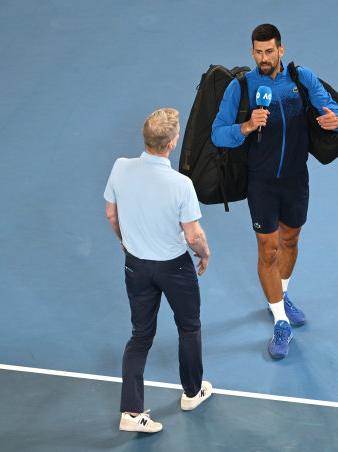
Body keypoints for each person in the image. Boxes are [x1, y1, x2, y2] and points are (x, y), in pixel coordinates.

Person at [211, 24, 338, 359]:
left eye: (269, 51)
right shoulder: (240, 87)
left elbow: (332, 111)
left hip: (296, 178)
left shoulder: (301, 79)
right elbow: (217, 134)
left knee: (290, 241)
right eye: (257, 52)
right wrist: (245, 126)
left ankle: (280, 294)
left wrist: (335, 121)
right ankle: (280, 321)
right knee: (268, 250)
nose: (263, 58)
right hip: (262, 182)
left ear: (281, 50)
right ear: (252, 52)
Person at [104, 108, 213, 433]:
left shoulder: (120, 167)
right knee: (189, 327)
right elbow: (193, 235)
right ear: (172, 143)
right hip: (175, 269)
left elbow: (111, 214)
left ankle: (131, 413)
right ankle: (192, 393)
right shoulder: (181, 184)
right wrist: (204, 254)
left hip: (136, 265)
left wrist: (126, 240)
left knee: (140, 336)